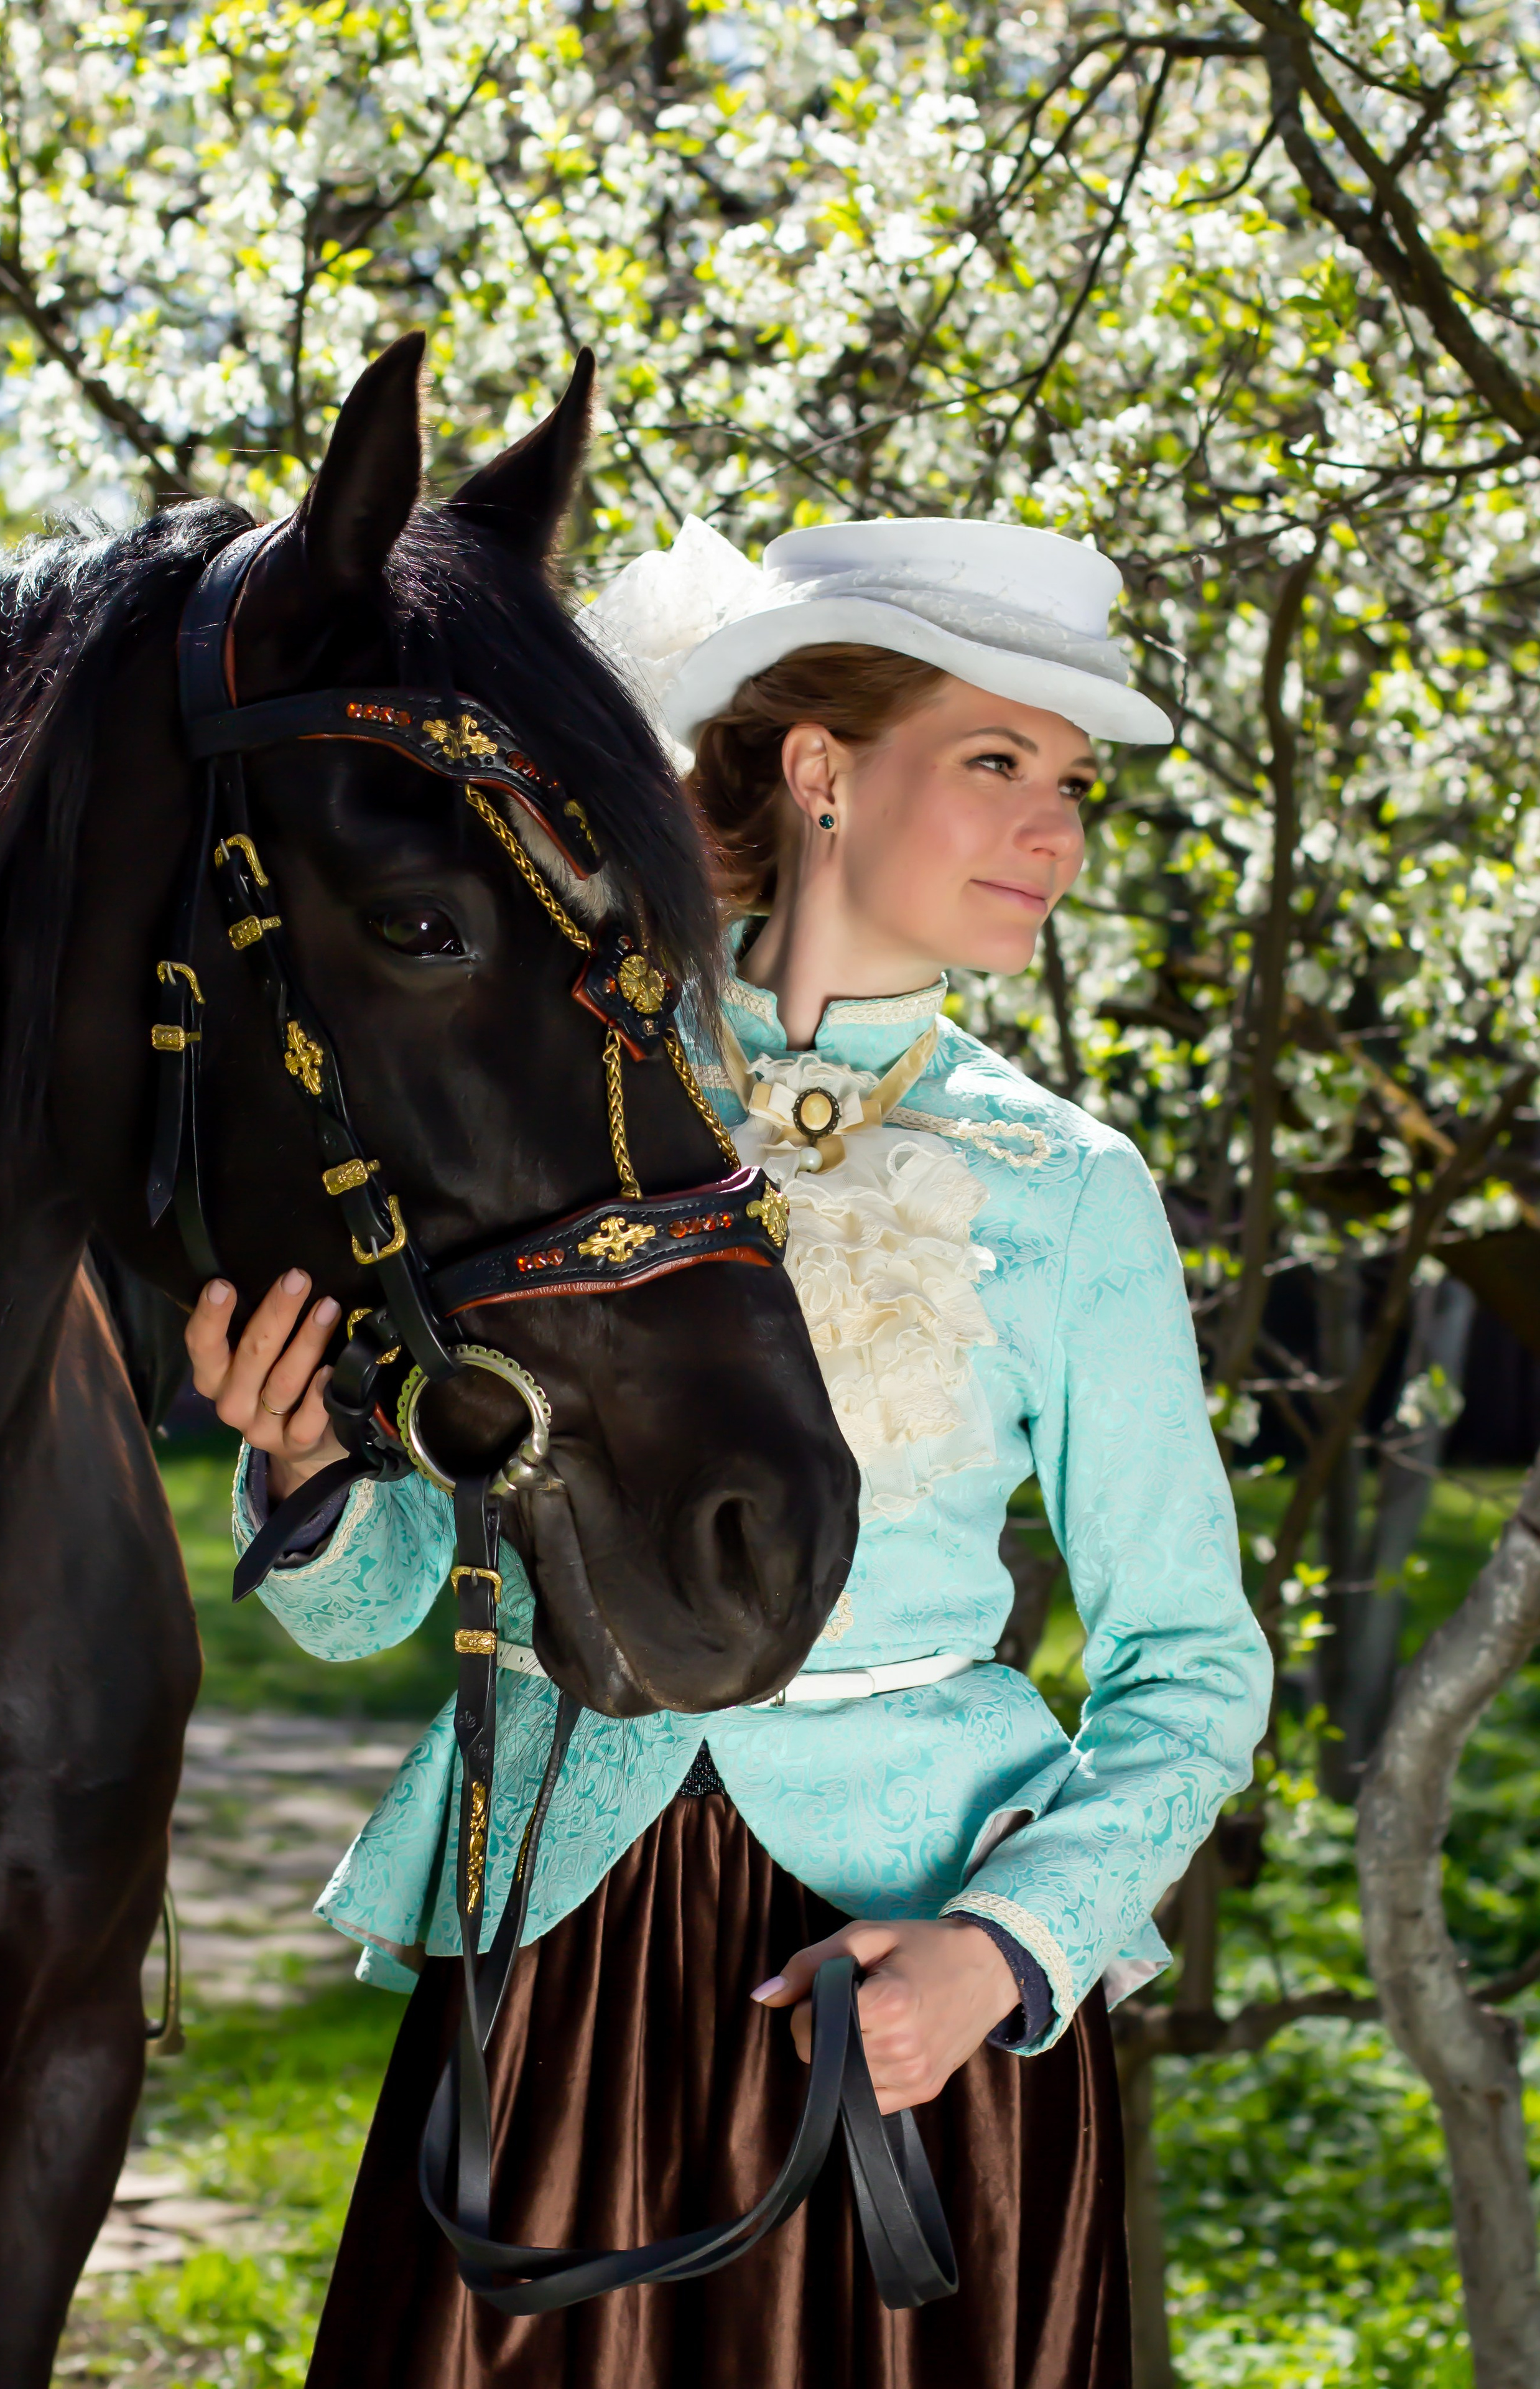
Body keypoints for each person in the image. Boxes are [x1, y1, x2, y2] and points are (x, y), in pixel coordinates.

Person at [186, 513, 1271, 2389]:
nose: (1056, 830)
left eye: (1074, 784)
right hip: (558, 1965)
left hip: (896, 1999)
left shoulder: (1070, 1194)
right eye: (999, 761)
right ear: (823, 768)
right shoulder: (570, 1085)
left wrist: (1007, 1953)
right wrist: (305, 1471)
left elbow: (1193, 1665)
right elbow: (382, 1616)